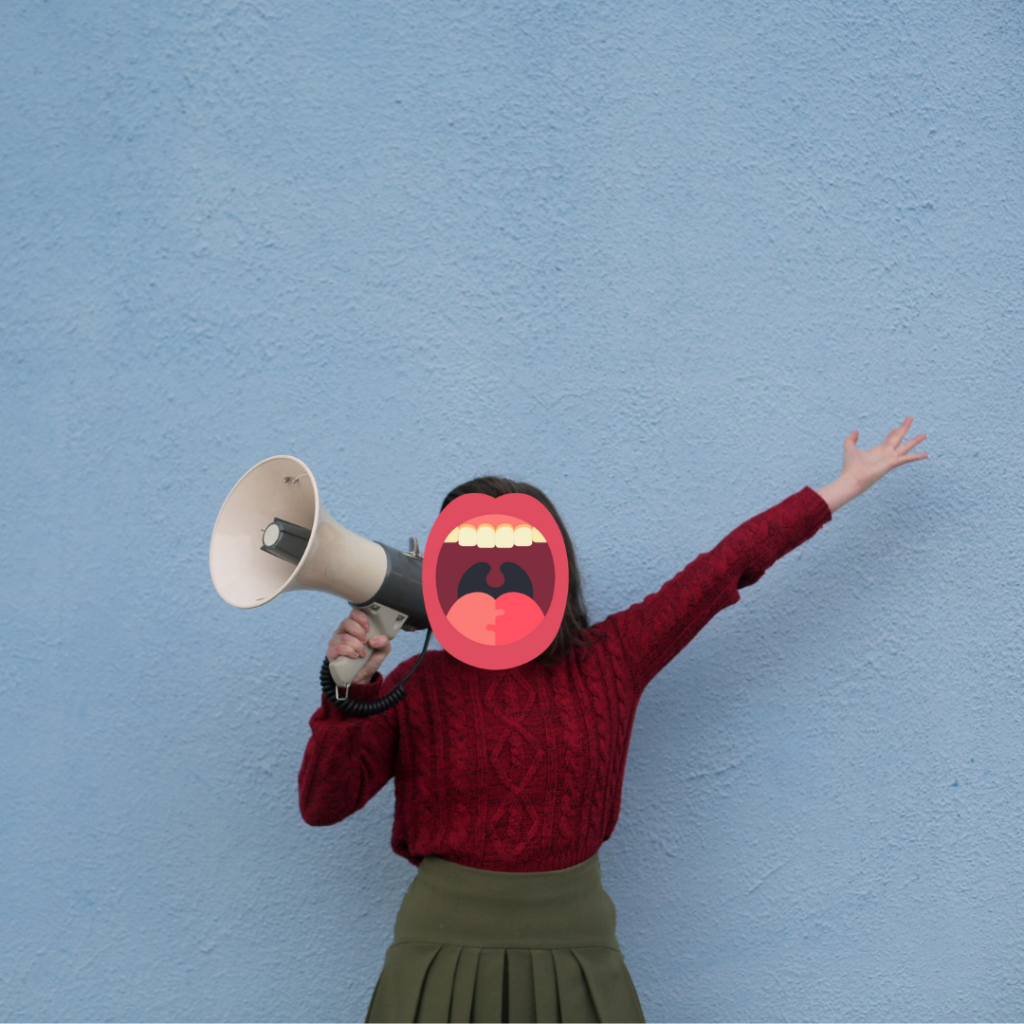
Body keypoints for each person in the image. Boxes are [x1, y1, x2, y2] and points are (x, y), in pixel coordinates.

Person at [299, 417, 927, 1024]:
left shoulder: (610, 661)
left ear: (555, 568)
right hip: (437, 953)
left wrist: (843, 487)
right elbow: (323, 805)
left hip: (576, 950)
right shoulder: (412, 685)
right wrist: (347, 691)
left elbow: (726, 567)